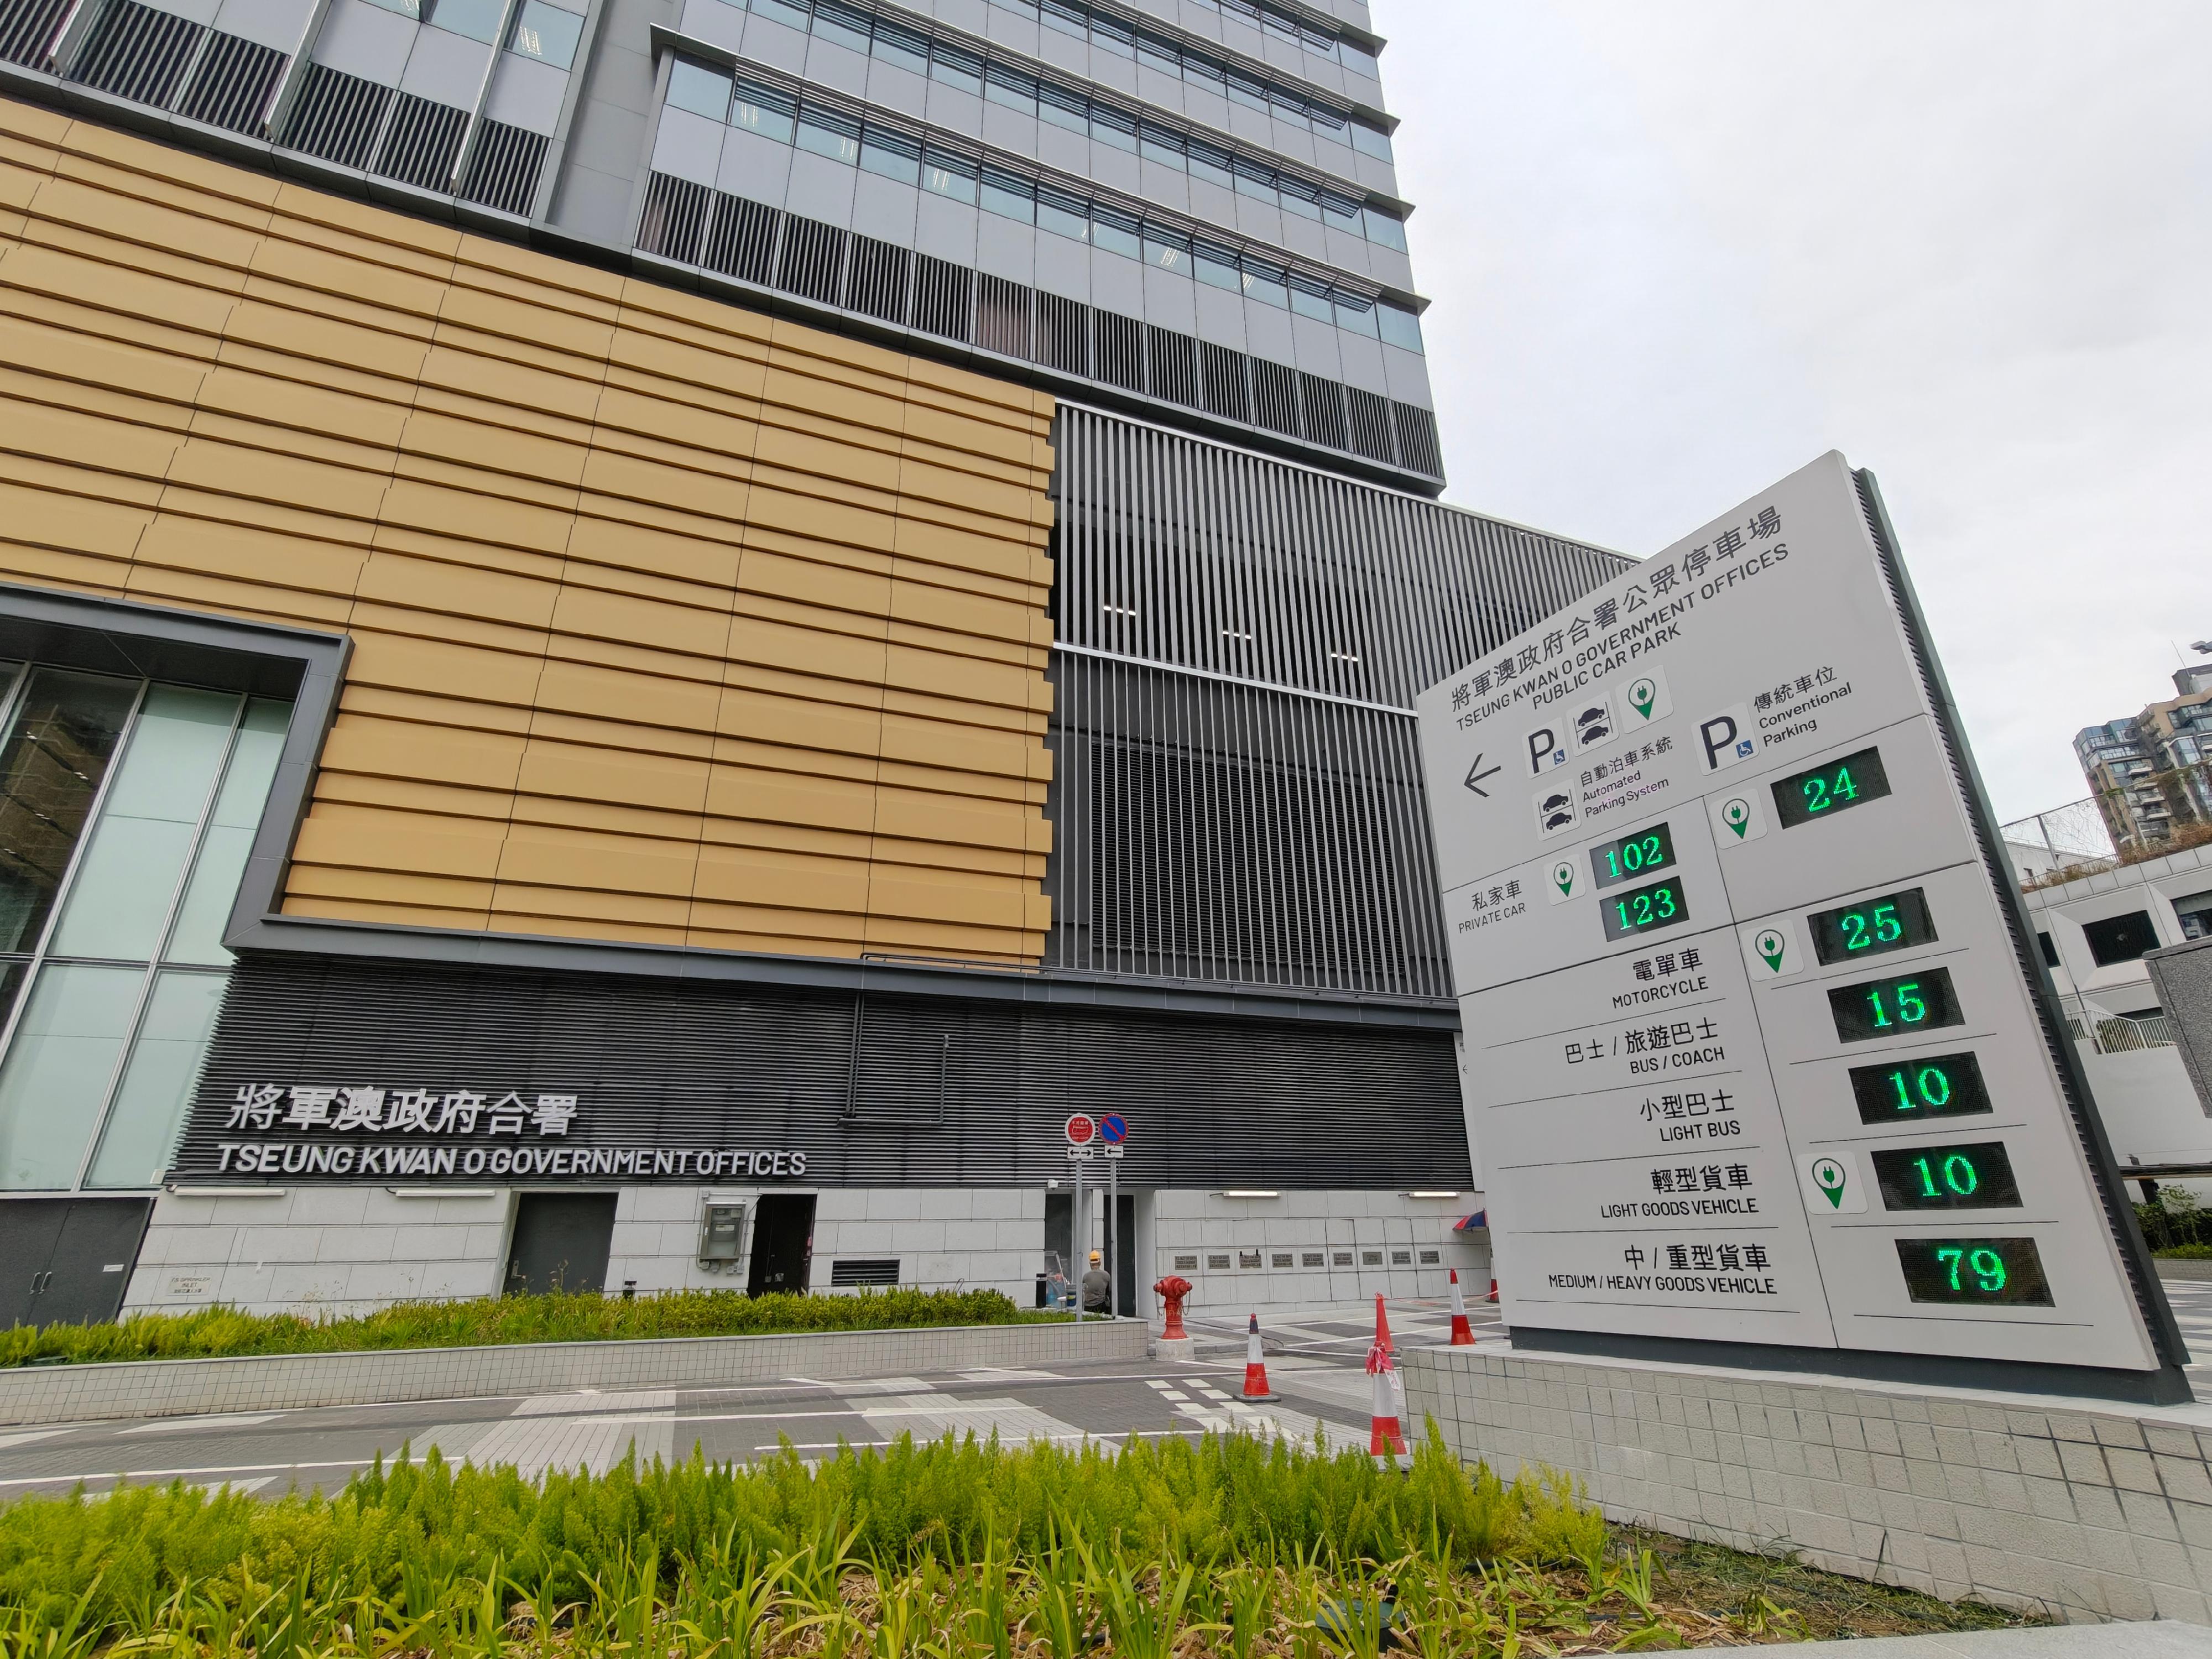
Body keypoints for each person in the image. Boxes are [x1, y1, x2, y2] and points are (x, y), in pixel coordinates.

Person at [1081, 1249, 1111, 1314]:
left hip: (1087, 1307)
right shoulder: (1106, 1275)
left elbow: (1082, 1292)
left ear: (1090, 1264)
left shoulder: (1085, 1277)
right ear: (1100, 1263)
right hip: (1101, 1307)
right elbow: (1109, 1292)